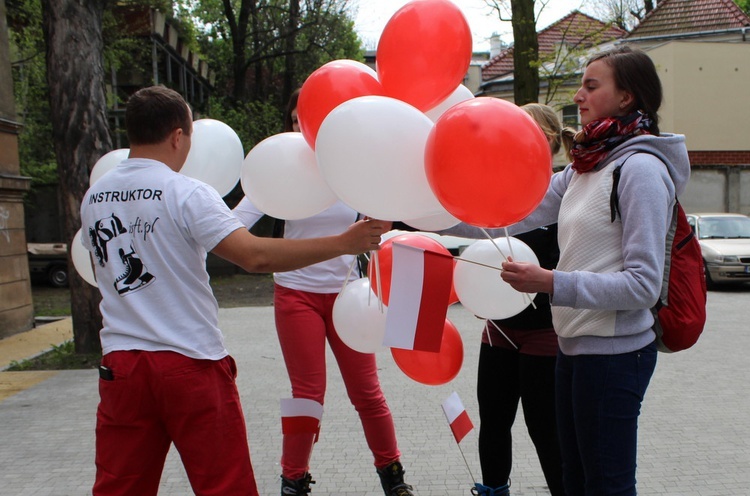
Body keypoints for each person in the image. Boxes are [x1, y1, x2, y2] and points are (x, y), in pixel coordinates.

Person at [79, 85, 386, 496]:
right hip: (189, 363)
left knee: (120, 487)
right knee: (225, 486)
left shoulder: (95, 195)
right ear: (177, 136)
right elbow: (254, 256)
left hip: (121, 367)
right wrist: (343, 244)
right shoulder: (186, 192)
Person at [446, 46, 690, 495]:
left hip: (616, 356)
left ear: (626, 97)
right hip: (574, 353)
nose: (578, 95)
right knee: (574, 481)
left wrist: (549, 282)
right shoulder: (586, 167)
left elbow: (642, 285)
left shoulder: (640, 170)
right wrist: (418, 214)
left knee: (606, 485)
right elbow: (508, 215)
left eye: (591, 86)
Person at [233, 89, 414, 496]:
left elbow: (385, 217)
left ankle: (394, 478)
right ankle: (293, 479)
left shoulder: (350, 166)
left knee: (367, 392)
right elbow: (231, 223)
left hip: (348, 296)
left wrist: (378, 219)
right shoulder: (281, 166)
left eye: (308, 120)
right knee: (308, 394)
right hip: (296, 294)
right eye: (294, 120)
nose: (301, 128)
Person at [473, 104, 574, 496]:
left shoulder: (564, 188)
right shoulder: (495, 194)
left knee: (545, 428)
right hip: (498, 327)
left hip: (546, 331)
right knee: (493, 422)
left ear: (546, 140)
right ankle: (492, 490)